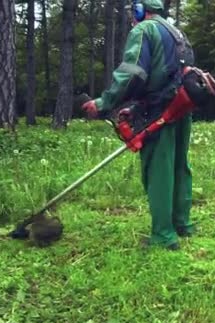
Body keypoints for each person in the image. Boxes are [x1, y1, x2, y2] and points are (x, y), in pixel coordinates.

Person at [82, 0, 195, 251]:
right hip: (182, 107)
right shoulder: (178, 34)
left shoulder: (143, 30)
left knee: (159, 171)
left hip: (159, 111)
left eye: (134, 12)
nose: (132, 17)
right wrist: (134, 108)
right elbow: (168, 74)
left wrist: (103, 103)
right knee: (179, 165)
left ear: (140, 10)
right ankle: (182, 223)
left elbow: (132, 74)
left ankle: (164, 237)